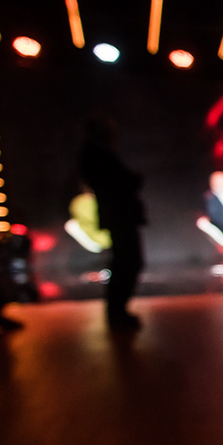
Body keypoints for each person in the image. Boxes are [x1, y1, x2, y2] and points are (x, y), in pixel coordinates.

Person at [78, 117, 146, 330]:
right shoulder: (98, 154)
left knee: (125, 262)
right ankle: (117, 312)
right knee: (128, 262)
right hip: (120, 216)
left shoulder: (94, 154)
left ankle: (117, 312)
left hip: (118, 216)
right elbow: (121, 181)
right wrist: (133, 180)